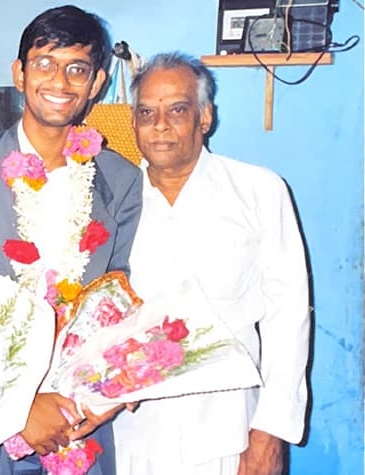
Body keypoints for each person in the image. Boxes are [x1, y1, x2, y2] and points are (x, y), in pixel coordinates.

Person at [0, 5, 142, 474]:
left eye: (77, 68)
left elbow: (118, 302)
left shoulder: (122, 180)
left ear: (97, 83)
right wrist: (19, 410)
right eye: (44, 63)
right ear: (19, 74)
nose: (60, 82)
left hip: (83, 424)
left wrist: (102, 397)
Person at [111, 52, 310, 475]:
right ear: (133, 124)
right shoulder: (112, 202)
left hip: (231, 433)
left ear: (205, 117)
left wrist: (270, 432)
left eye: (177, 110)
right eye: (146, 112)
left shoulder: (258, 191)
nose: (160, 125)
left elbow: (287, 317)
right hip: (130, 434)